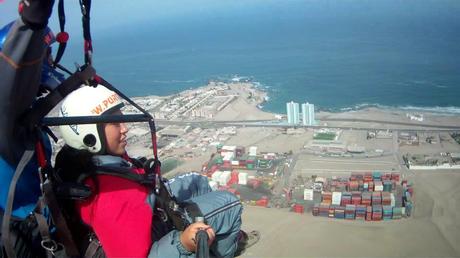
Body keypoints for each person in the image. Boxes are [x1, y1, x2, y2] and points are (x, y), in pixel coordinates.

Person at [54, 85, 259, 257]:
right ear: (90, 135)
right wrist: (183, 243)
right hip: (149, 235)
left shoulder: (89, 159)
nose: (125, 128)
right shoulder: (113, 196)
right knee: (229, 204)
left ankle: (213, 238)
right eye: (115, 123)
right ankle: (224, 251)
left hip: (149, 208)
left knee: (198, 183)